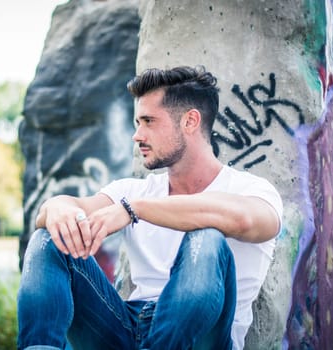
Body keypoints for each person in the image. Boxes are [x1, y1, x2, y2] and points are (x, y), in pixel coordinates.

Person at [17, 66, 283, 350]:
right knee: (49, 238)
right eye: (136, 123)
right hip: (125, 328)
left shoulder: (253, 191)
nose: (137, 135)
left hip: (203, 338)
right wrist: (57, 207)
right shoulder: (131, 191)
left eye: (148, 121)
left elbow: (242, 220)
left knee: (206, 239)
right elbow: (70, 209)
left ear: (190, 122)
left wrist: (135, 210)